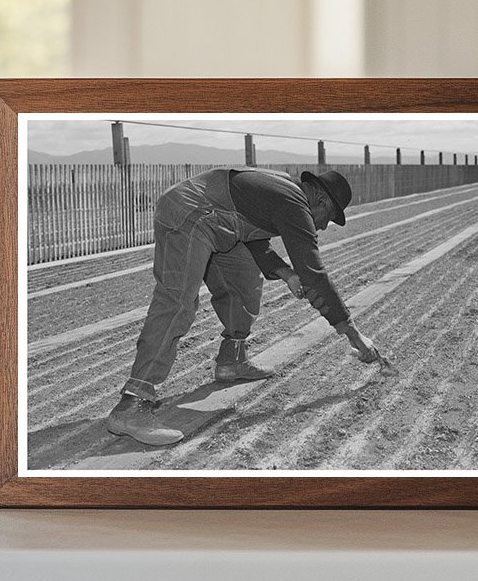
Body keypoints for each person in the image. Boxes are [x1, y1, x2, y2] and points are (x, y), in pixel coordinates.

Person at [106, 167, 381, 446]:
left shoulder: (284, 193)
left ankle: (232, 361)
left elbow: (255, 238)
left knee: (245, 282)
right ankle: (132, 404)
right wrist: (354, 334)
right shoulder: (295, 204)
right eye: (328, 219)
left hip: (219, 223)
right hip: (192, 213)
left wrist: (286, 274)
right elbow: (314, 274)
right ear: (321, 201)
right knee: (178, 301)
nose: (322, 227)